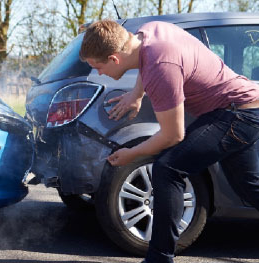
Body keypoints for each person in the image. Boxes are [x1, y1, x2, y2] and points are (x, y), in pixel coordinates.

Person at [79, 20, 259, 263]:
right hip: (242, 108)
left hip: (236, 114)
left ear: (114, 59)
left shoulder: (160, 67)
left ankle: (159, 258)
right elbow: (146, 59)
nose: (99, 73)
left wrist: (132, 154)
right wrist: (136, 94)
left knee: (168, 168)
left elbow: (173, 135)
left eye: (97, 67)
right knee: (250, 188)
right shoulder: (150, 31)